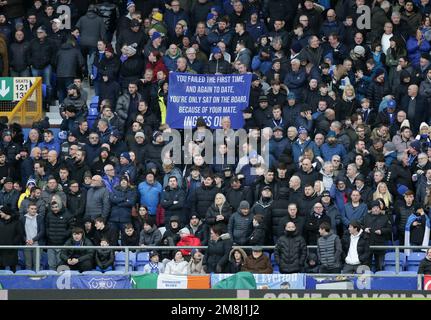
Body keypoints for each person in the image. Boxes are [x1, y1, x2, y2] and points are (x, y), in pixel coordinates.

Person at [363, 200, 392, 271]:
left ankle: (380, 279)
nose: (376, 209)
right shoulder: (366, 217)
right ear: (371, 209)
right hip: (368, 243)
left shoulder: (385, 217)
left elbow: (389, 229)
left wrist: (381, 231)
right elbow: (361, 226)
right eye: (374, 207)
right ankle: (368, 279)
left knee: (379, 265)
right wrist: (365, 229)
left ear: (380, 208)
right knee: (367, 265)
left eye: (377, 207)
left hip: (380, 243)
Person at [20, 202, 45, 270]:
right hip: (27, 244)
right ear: (28, 209)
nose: (34, 210)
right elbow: (21, 232)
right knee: (28, 264)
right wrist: (26, 240)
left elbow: (42, 231)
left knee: (37, 264)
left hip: (37, 244)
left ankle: (37, 279)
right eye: (32, 209)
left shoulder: (40, 218)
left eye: (35, 209)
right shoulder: (23, 218)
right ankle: (28, 280)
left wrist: (33, 240)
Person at [0, 205, 22, 272]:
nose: (0, 213)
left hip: (12, 249)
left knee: (13, 268)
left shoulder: (16, 222)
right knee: (1, 268)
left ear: (6, 212)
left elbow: (19, 234)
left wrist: (13, 243)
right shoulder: (0, 222)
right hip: (1, 249)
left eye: (1, 212)